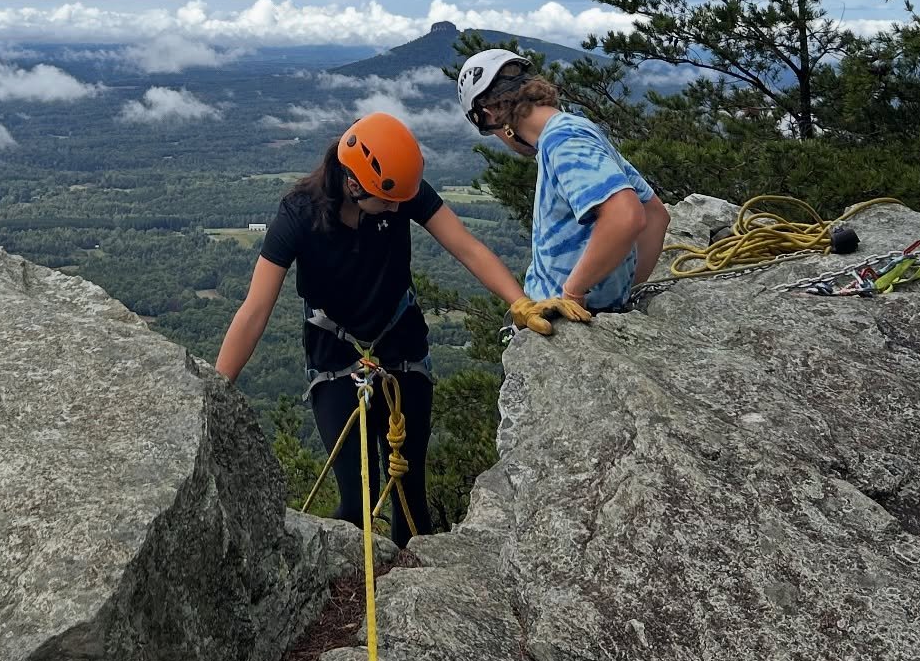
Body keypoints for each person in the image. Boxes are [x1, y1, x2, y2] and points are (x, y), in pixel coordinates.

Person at [214, 111, 587, 545]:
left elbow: (466, 247)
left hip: (403, 348)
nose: (396, 209)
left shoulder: (397, 188)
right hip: (334, 359)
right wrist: (218, 390)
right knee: (355, 502)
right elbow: (254, 310)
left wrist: (519, 301)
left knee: (411, 500)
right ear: (353, 184)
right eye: (387, 202)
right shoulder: (299, 214)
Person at [457, 50, 670, 311]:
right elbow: (655, 215)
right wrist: (619, 297)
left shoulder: (564, 139)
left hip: (565, 318)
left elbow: (626, 216)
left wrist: (573, 293)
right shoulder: (576, 129)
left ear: (489, 113)